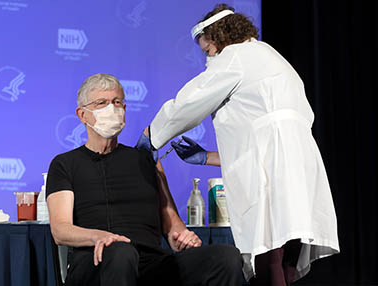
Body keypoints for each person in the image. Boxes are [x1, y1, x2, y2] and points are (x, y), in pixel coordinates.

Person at [139, 4, 340, 286]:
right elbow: (259, 144)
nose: (207, 57)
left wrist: (153, 133)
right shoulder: (269, 56)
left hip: (273, 169)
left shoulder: (235, 56)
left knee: (269, 252)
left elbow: (191, 100)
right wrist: (205, 157)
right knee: (282, 254)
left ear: (218, 37)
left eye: (207, 49)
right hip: (297, 168)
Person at [45, 73, 245, 286]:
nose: (111, 109)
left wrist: (183, 237)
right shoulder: (65, 164)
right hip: (97, 261)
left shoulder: (146, 160)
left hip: (151, 264)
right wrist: (99, 237)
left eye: (117, 102)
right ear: (82, 114)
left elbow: (172, 225)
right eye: (101, 103)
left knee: (226, 257)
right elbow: (61, 231)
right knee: (121, 253)